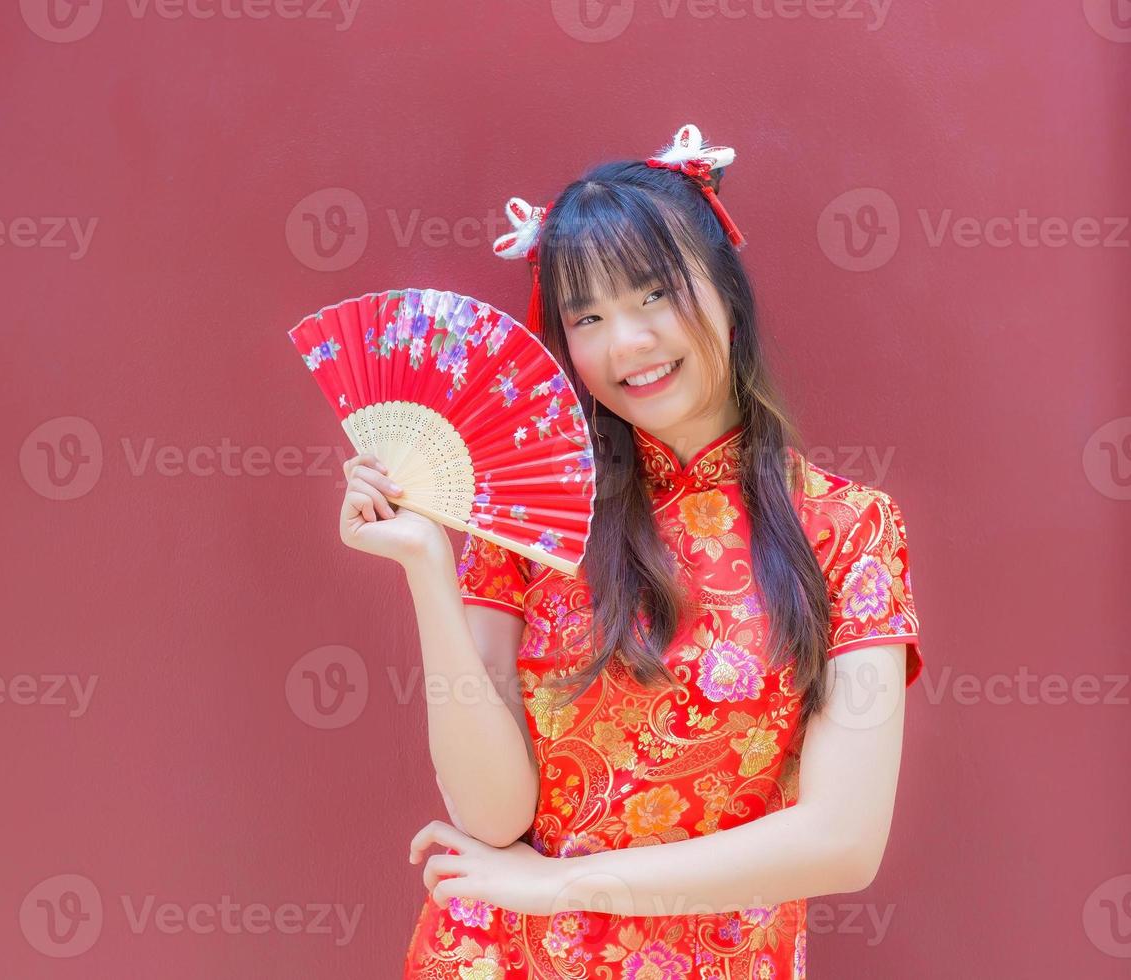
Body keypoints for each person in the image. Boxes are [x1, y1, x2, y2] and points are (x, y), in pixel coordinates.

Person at [337, 123, 924, 979]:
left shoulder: (848, 530)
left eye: (655, 296)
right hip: (503, 956)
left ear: (729, 291)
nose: (628, 345)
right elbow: (493, 815)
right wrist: (428, 564)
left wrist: (567, 888)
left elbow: (843, 840)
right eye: (590, 316)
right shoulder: (530, 525)